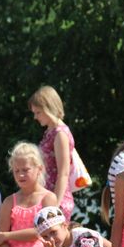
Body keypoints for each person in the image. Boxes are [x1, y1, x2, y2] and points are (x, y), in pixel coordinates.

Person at [29, 86, 77, 220]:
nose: (35, 117)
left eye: (38, 112)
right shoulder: (51, 131)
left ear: (48, 109)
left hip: (57, 200)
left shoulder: (60, 133)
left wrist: (54, 207)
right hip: (49, 198)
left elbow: (63, 173)